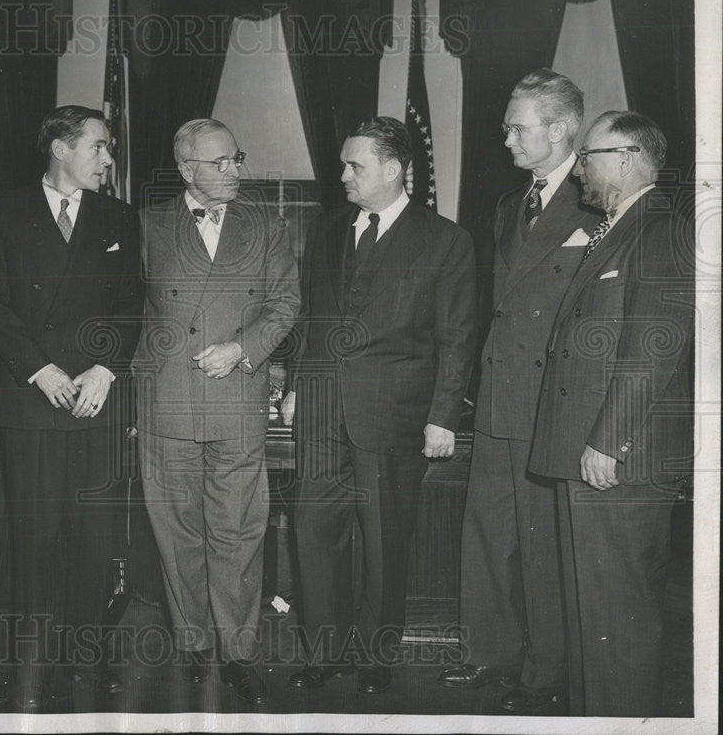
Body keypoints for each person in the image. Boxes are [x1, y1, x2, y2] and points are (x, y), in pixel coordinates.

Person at [284, 117, 477, 694]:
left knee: (384, 540)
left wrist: (443, 415)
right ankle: (324, 652)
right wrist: (296, 385)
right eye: (344, 163)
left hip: (393, 414)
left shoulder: (446, 240)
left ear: (393, 170)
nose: (342, 175)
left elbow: (458, 337)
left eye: (354, 166)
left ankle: (375, 657)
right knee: (314, 533)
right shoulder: (326, 229)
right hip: (319, 409)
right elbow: (310, 317)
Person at [437, 69, 601, 714]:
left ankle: (545, 672)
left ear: (561, 130)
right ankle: (488, 655)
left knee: (540, 540)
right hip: (501, 391)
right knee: (487, 530)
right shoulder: (510, 204)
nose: (505, 139)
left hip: (551, 401)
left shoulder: (595, 205)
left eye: (517, 127)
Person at [528, 111, 693, 717]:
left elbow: (655, 346)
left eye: (589, 157)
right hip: (592, 451)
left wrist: (609, 443)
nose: (580, 172)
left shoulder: (661, 230)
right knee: (591, 614)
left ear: (624, 158)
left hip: (620, 459)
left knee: (615, 620)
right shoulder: (620, 227)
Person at [0, 105, 143, 712]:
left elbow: (131, 303)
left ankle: (89, 658)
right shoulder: (3, 211)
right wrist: (38, 368)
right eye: (99, 147)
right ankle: (30, 665)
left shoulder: (118, 216)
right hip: (31, 401)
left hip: (97, 400)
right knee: (34, 538)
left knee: (94, 538)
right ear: (59, 148)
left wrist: (105, 368)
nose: (107, 159)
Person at [131, 118, 299, 706]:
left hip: (235, 397)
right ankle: (195, 638)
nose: (233, 171)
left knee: (238, 530)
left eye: (236, 159)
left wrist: (243, 350)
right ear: (186, 170)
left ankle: (238, 649)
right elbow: (123, 310)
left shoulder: (266, 226)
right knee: (177, 531)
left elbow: (285, 304)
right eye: (219, 163)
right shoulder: (147, 226)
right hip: (166, 402)